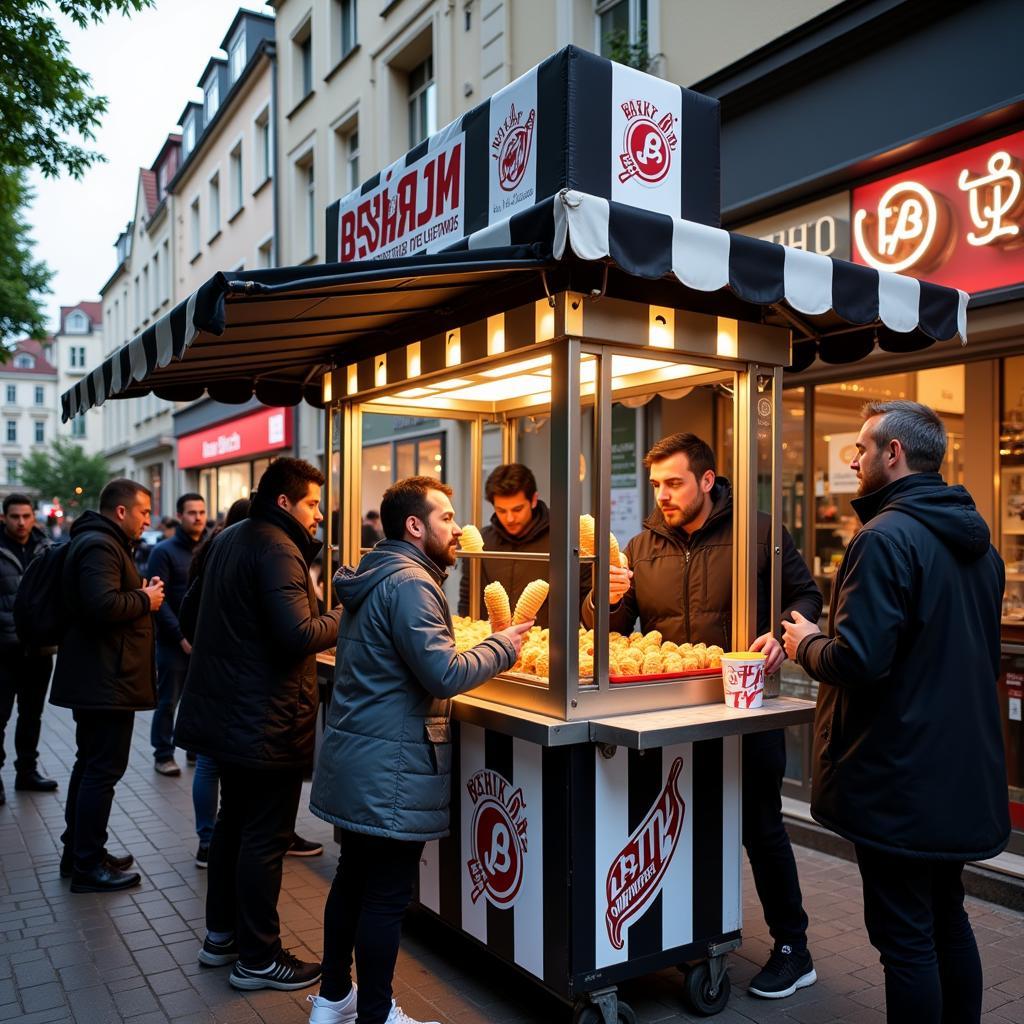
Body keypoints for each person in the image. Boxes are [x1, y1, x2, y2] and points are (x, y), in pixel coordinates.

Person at [782, 401, 1010, 1023]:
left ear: (894, 454)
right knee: (946, 918)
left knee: (906, 939)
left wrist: (806, 644)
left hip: (899, 775)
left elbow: (861, 661)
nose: (851, 460)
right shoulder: (981, 546)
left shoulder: (882, 538)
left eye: (860, 448)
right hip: (955, 770)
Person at [584, 432, 822, 999]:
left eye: (674, 483)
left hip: (742, 707)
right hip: (667, 718)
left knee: (760, 828)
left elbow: (807, 596)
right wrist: (607, 598)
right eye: (656, 484)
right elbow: (608, 633)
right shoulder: (641, 546)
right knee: (676, 826)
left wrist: (784, 634)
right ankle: (687, 936)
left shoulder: (758, 532)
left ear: (707, 481)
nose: (662, 495)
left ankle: (794, 948)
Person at [306, 476, 533, 1024]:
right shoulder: (411, 583)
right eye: (447, 518)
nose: (457, 529)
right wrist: (504, 645)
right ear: (415, 525)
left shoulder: (379, 572)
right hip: (392, 763)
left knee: (353, 880)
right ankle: (377, 1014)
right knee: (385, 895)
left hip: (362, 754)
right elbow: (442, 671)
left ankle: (334, 1000)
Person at [175, 458, 342, 991]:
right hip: (264, 718)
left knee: (233, 827)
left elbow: (188, 614)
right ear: (285, 502)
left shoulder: (231, 538)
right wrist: (346, 612)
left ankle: (221, 938)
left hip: (230, 713)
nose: (320, 514)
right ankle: (259, 957)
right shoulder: (276, 547)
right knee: (264, 838)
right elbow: (297, 635)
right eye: (314, 503)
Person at [51, 478, 165, 892]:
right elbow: (101, 604)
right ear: (121, 511)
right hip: (104, 680)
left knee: (90, 766)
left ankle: (81, 851)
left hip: (100, 678)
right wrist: (145, 599)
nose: (147, 520)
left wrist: (135, 593)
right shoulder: (101, 545)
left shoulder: (99, 541)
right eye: (143, 512)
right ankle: (87, 864)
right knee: (101, 770)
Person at [0, 493, 57, 804]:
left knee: (31, 715)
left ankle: (27, 772)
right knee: (0, 717)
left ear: (34, 516)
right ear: (4, 518)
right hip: (3, 650)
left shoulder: (46, 548)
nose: (21, 522)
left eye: (25, 516)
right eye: (14, 517)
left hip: (37, 649)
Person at [147, 492, 207, 777]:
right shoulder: (163, 551)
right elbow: (160, 601)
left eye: (202, 512)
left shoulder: (209, 547)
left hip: (203, 642)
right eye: (192, 512)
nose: (198, 517)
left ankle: (194, 750)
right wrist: (180, 637)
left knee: (198, 699)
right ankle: (163, 754)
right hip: (173, 643)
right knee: (168, 701)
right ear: (180, 515)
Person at [457, 463, 553, 628]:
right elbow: (468, 600)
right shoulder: (482, 542)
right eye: (501, 510)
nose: (509, 518)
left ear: (534, 500)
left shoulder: (561, 541)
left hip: (547, 647)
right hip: (491, 648)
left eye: (517, 509)